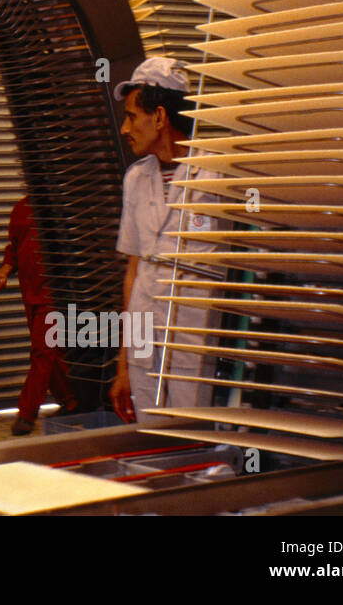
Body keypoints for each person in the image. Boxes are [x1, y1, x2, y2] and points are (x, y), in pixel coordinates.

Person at [108, 56, 217, 424]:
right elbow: (133, 271)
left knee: (198, 441)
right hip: (144, 330)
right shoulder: (136, 179)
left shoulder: (218, 175)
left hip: (196, 333)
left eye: (132, 116)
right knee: (149, 440)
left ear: (159, 117)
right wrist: (123, 365)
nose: (126, 127)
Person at [0, 194, 78, 435]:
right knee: (52, 354)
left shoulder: (65, 207)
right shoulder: (21, 209)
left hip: (56, 295)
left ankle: (26, 415)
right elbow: (15, 247)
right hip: (31, 293)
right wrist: (4, 270)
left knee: (43, 352)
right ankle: (73, 402)